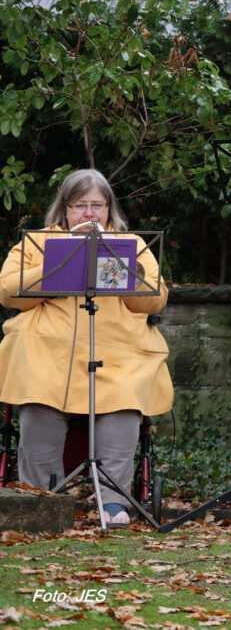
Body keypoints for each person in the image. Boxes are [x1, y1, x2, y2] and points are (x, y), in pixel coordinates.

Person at [0, 169, 172, 528]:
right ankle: (40, 500)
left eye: (98, 205)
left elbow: (153, 302)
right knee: (38, 401)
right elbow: (7, 293)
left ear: (110, 210)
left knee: (124, 403)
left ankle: (113, 503)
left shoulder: (129, 245)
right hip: (46, 351)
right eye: (81, 205)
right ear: (64, 210)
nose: (90, 213)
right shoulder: (38, 244)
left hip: (118, 352)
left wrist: (125, 268)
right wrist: (58, 262)